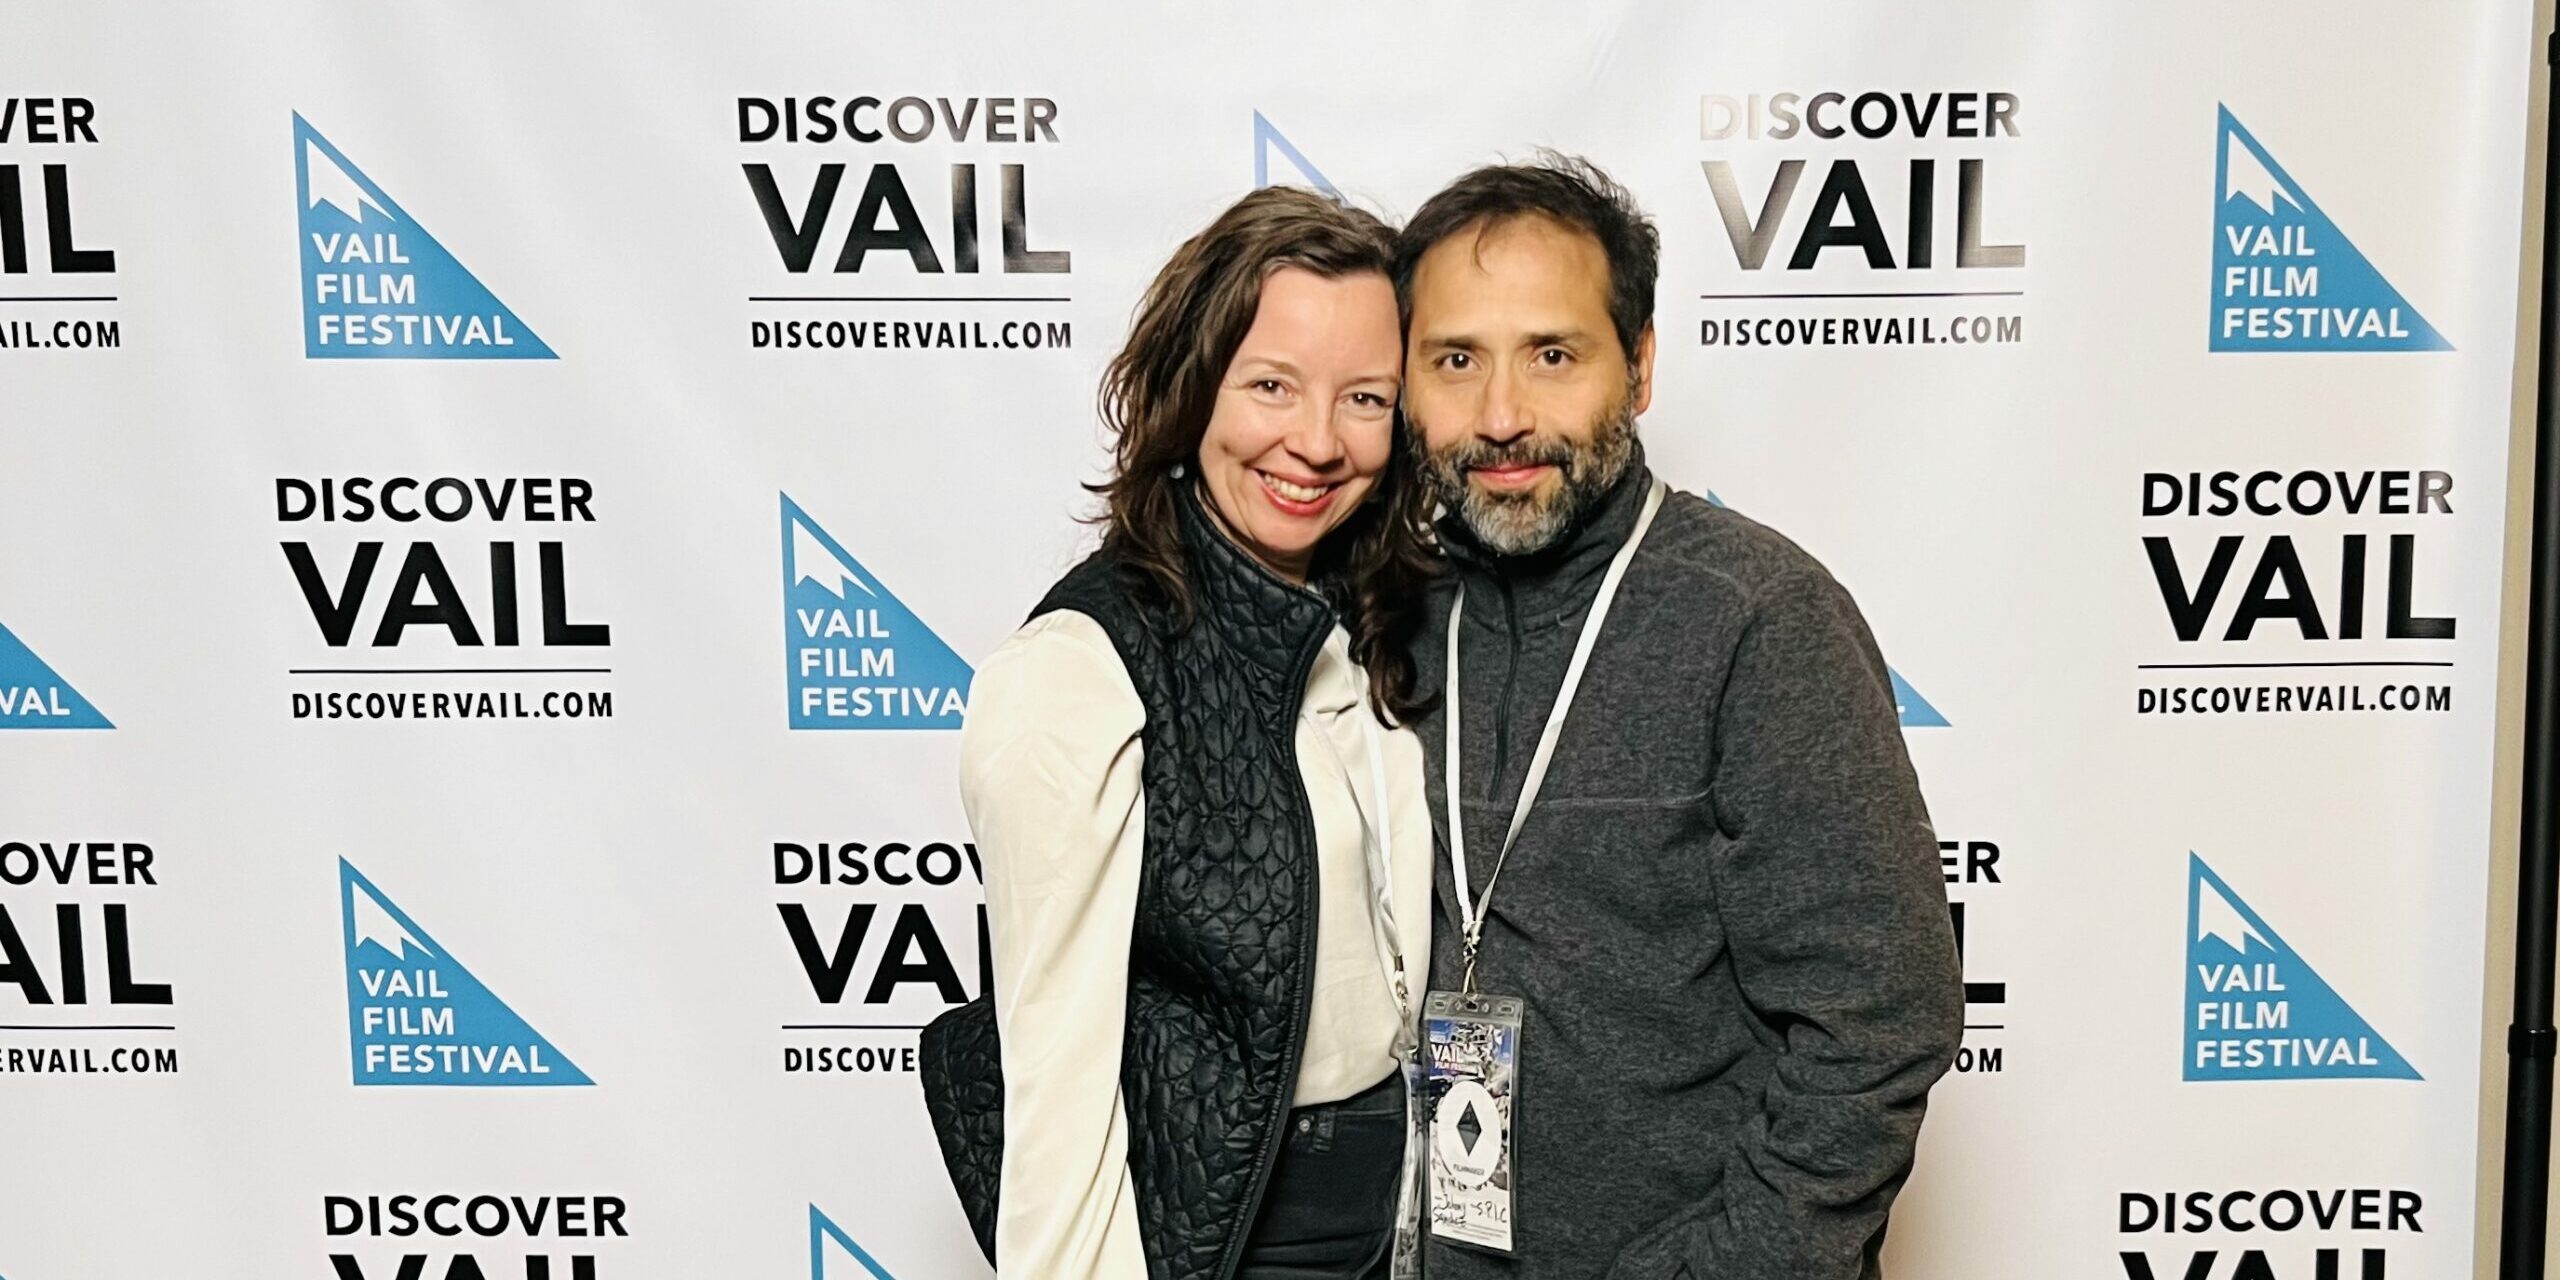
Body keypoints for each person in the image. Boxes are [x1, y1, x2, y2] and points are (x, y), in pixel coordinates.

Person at [1392, 155, 1963, 1278]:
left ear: (1640, 367)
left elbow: (1877, 1024)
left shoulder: (1759, 618)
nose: (1502, 416)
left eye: (1553, 355)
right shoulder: (1384, 615)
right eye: (1456, 360)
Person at [919, 185, 1439, 1280]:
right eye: (1270, 385)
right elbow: (1053, 1089)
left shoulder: (1379, 616)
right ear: (1191, 387)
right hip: (1229, 1233)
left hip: (1404, 1214)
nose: (1315, 441)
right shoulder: (1083, 666)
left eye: (1364, 398)